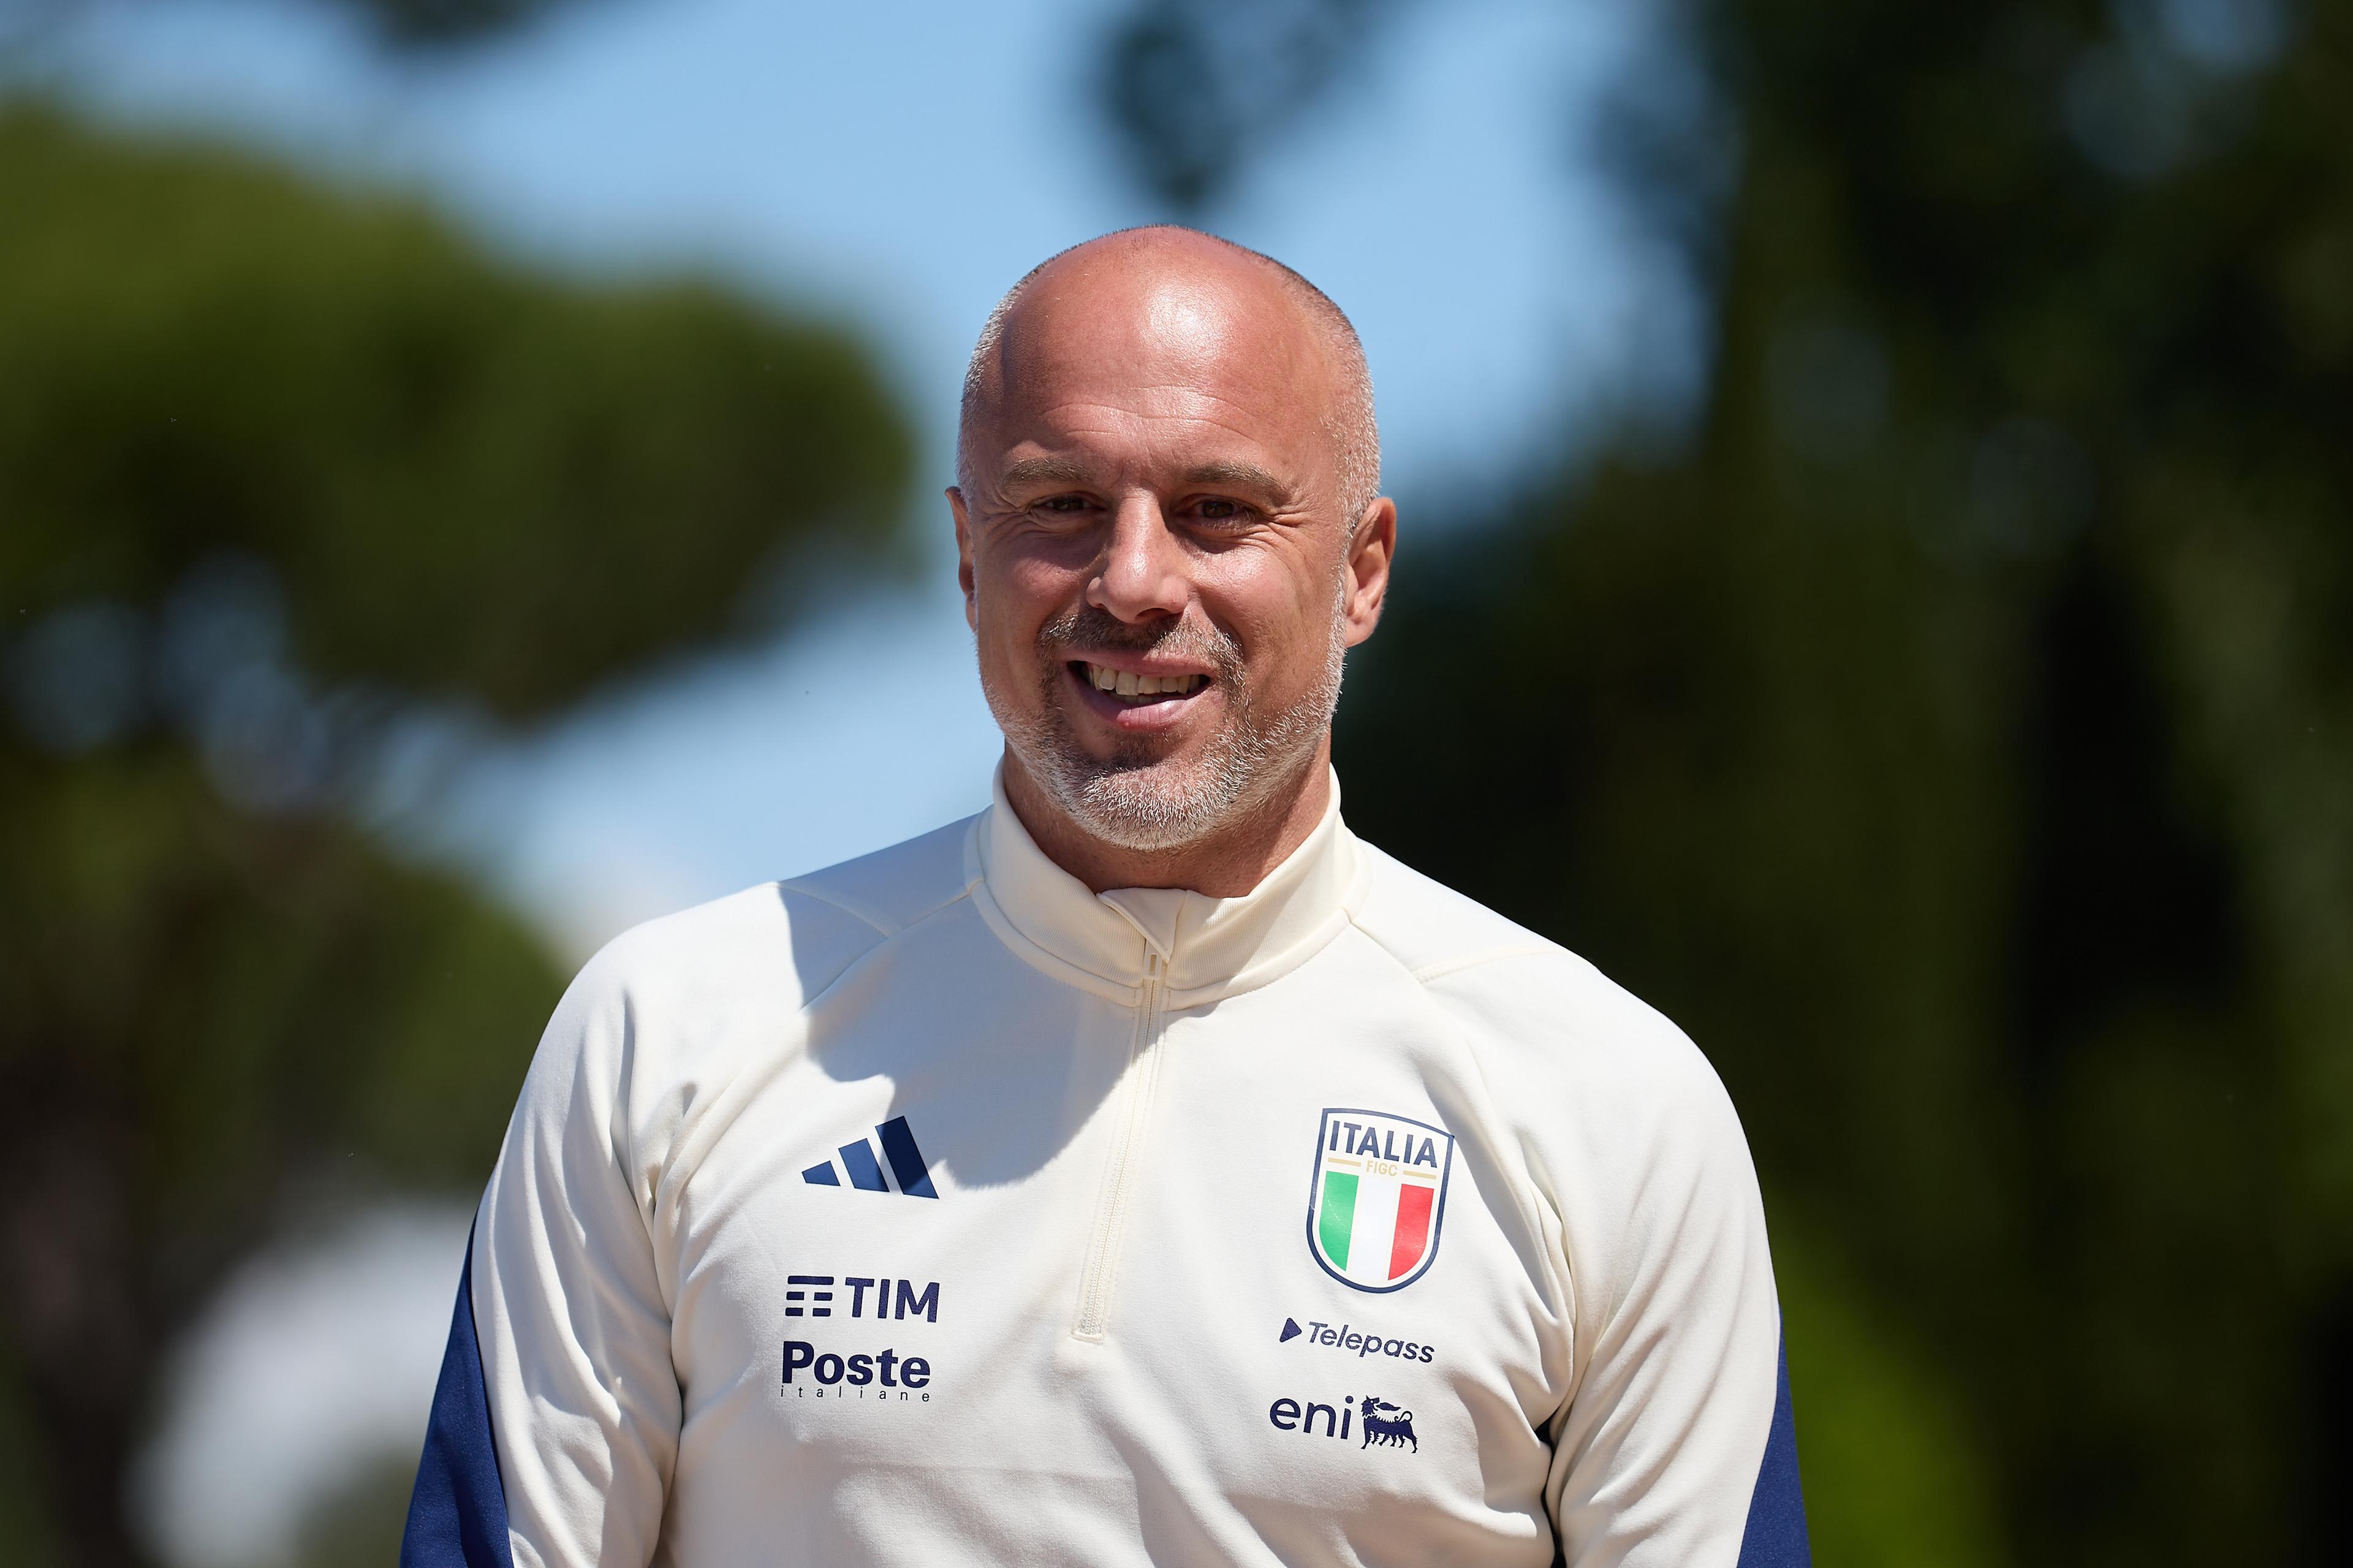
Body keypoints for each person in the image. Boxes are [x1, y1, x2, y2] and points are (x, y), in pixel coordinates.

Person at [400, 227, 1810, 1567]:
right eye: (1064, 504)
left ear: (1361, 571)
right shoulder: (668, 1034)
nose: (1133, 580)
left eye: (1218, 510)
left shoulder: (1612, 1105)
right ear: (969, 555)